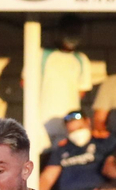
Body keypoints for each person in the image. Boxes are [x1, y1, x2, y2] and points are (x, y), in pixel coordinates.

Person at [36, 17, 93, 155]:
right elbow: (26, 84)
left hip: (70, 125)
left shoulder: (81, 59)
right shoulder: (41, 55)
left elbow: (82, 91)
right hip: (41, 123)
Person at [39, 111, 115, 190]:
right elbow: (48, 177)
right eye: (72, 131)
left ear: (88, 122)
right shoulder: (62, 149)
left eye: (80, 128)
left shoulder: (103, 142)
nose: (77, 133)